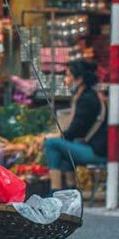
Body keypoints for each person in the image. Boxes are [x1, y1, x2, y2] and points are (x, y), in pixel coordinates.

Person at [44, 59, 107, 190]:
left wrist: (57, 136)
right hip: (96, 148)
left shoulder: (87, 99)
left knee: (51, 143)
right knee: (64, 149)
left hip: (98, 153)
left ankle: (55, 190)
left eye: (68, 75)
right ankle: (70, 189)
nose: (66, 80)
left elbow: (76, 130)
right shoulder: (88, 95)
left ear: (79, 79)